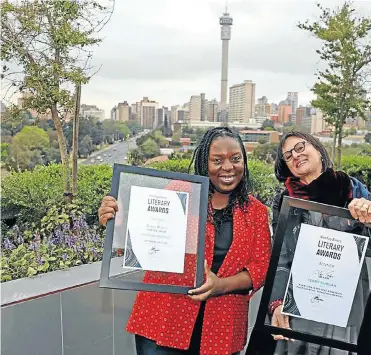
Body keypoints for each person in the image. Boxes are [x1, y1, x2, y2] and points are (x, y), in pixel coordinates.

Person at [98, 127, 272, 355]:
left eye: (236, 159)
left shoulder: (255, 212)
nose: (228, 167)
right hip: (164, 322)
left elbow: (260, 268)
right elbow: (148, 236)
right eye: (217, 160)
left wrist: (221, 286)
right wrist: (118, 222)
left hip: (222, 328)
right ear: (203, 163)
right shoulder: (179, 194)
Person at [268, 131, 371, 355]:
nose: (295, 155)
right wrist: (277, 302)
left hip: (344, 306)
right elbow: (281, 255)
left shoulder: (351, 189)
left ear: (319, 150)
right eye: (288, 155)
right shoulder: (285, 201)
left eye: (300, 147)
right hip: (299, 305)